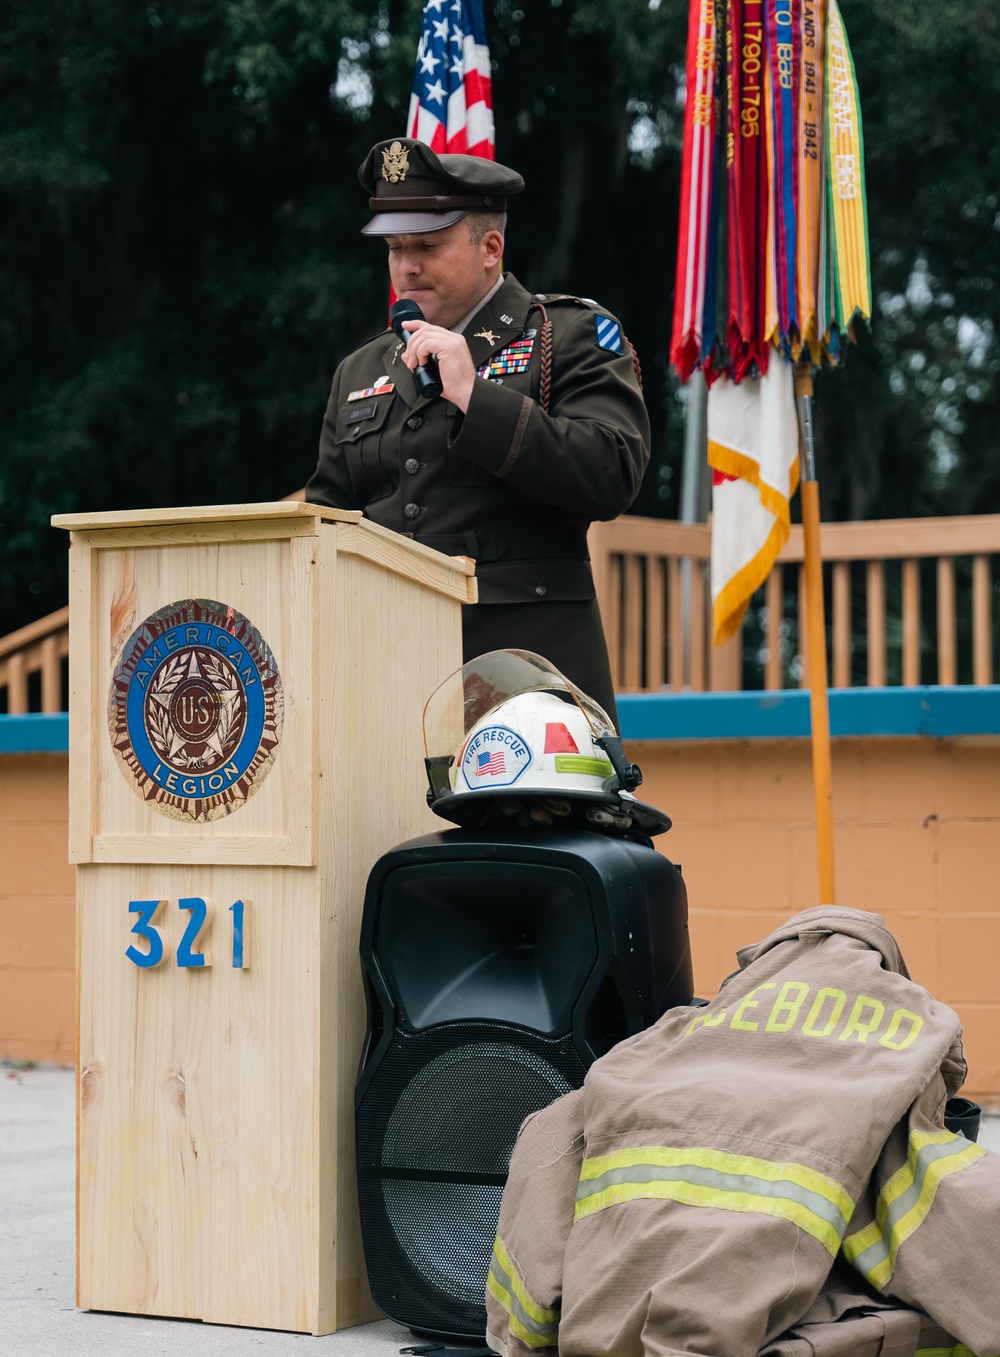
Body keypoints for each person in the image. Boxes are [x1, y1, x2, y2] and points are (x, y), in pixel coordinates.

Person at [304, 137, 650, 726]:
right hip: (387, 688)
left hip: (530, 692)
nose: (406, 266)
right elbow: (328, 523)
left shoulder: (565, 336)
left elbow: (612, 471)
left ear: (491, 247)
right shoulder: (360, 371)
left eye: (428, 246)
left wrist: (473, 395)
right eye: (393, 248)